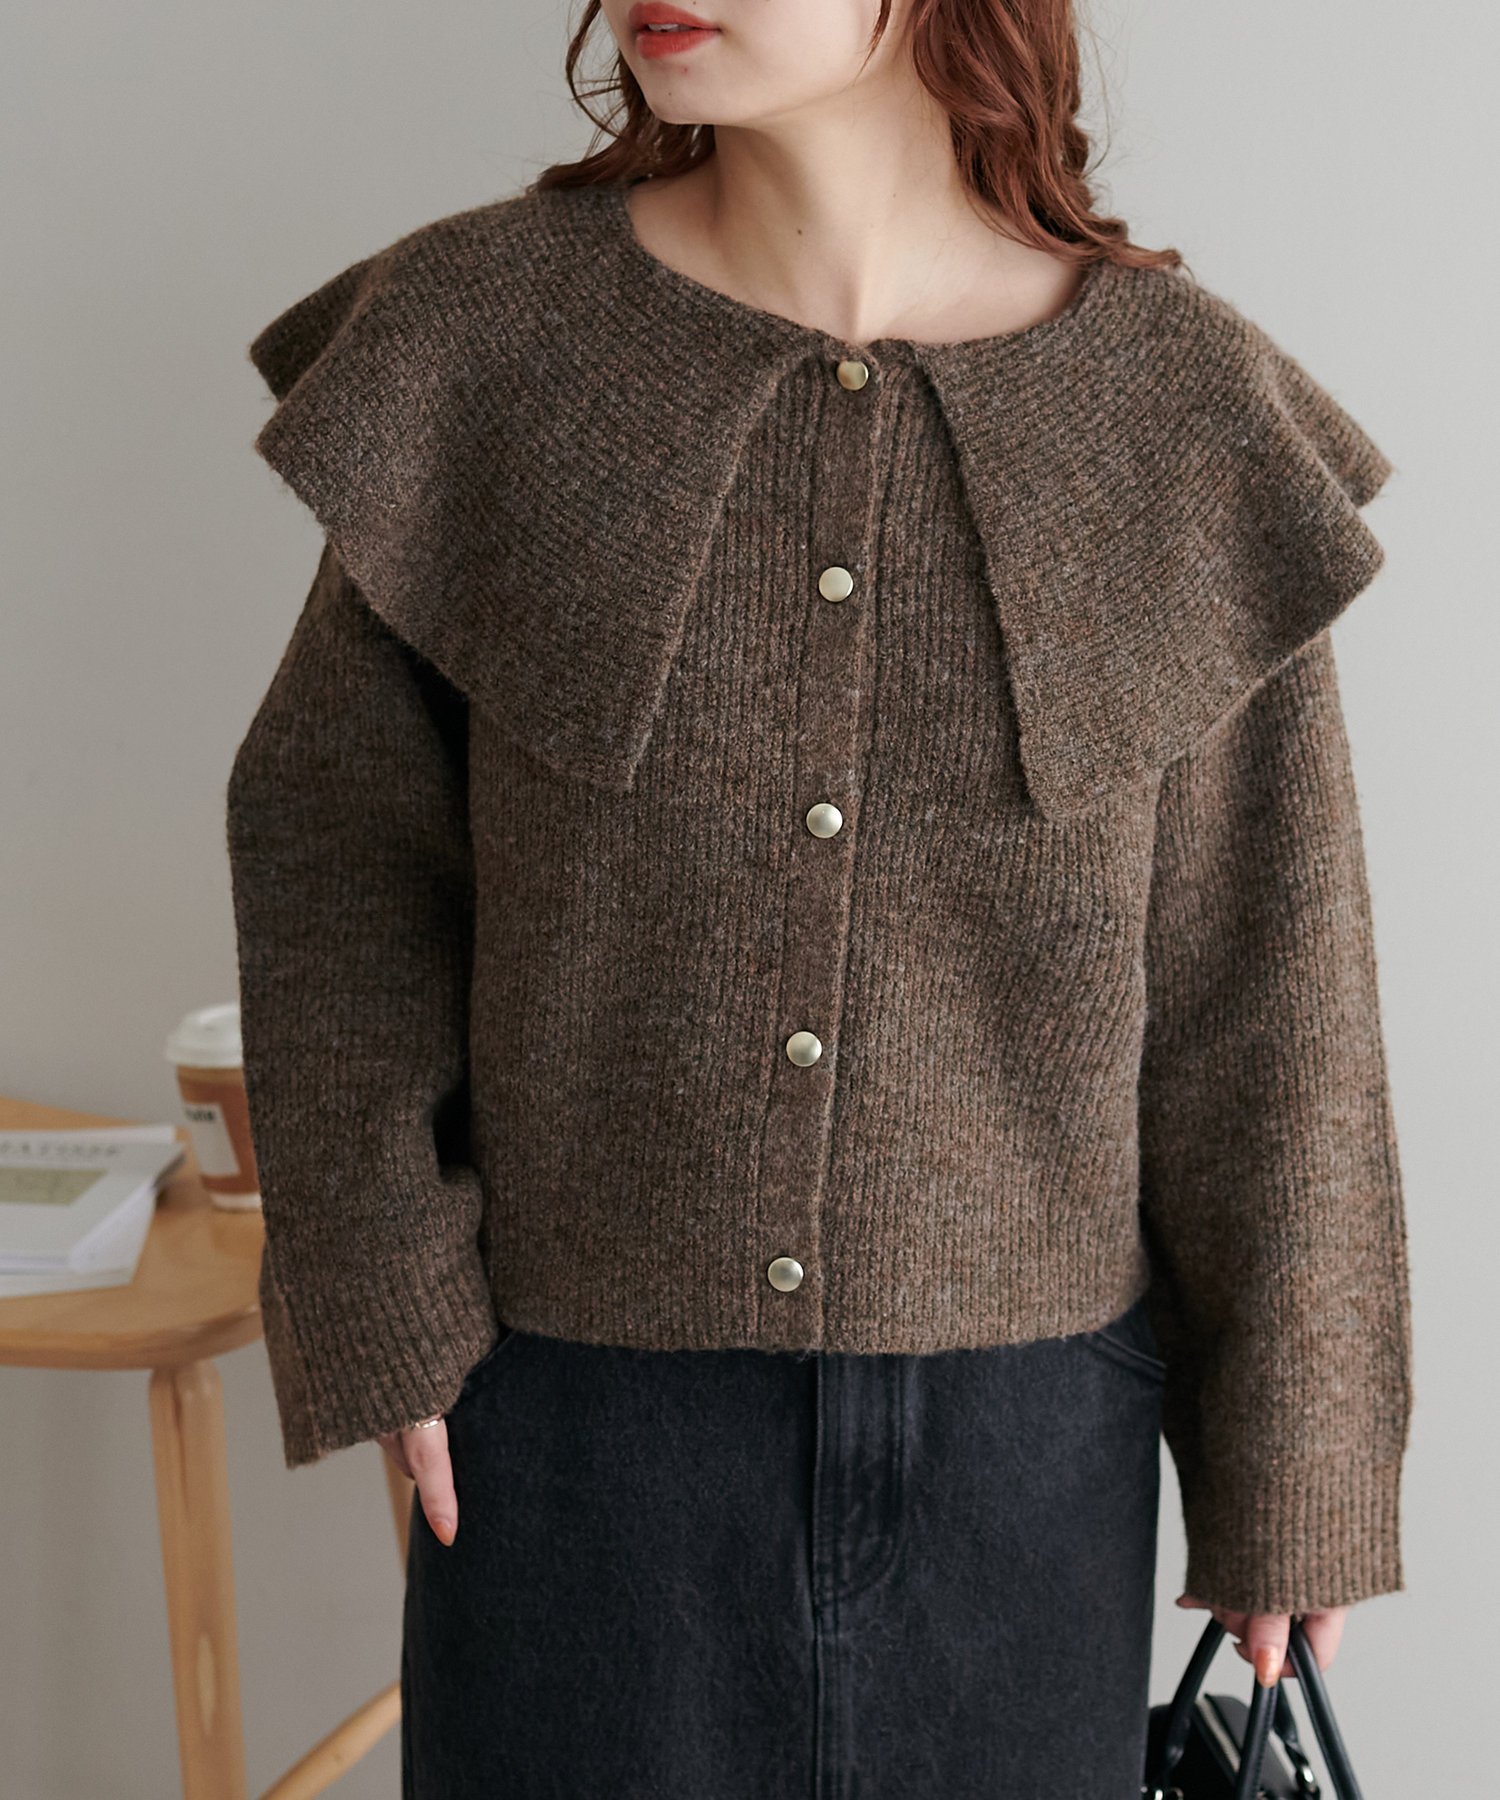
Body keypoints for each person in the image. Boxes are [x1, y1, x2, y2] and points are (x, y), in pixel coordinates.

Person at [226, 2, 1414, 1794]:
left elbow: (1273, 989)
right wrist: (383, 1288)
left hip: (1028, 1470)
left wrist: (1299, 1464)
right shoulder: (496, 344)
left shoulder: (1174, 414)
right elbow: (336, 856)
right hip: (575, 1437)